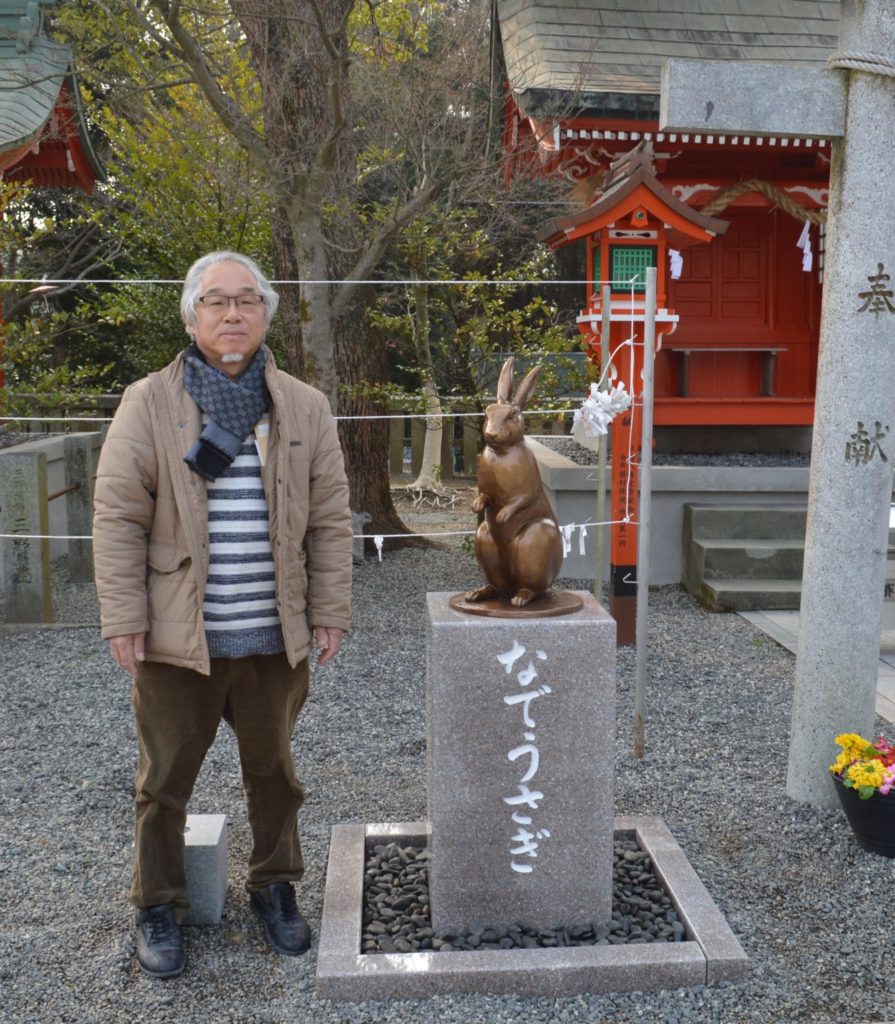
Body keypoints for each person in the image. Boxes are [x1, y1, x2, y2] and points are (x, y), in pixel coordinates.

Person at [93, 251, 353, 978]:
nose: (232, 313)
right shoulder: (148, 401)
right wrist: (124, 615)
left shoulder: (303, 405)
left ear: (266, 313)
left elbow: (330, 518)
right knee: (163, 780)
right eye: (216, 301)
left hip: (274, 633)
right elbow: (117, 515)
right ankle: (157, 902)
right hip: (180, 637)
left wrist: (330, 608)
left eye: (248, 300)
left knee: (275, 774)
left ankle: (275, 886)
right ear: (191, 317)